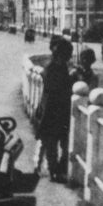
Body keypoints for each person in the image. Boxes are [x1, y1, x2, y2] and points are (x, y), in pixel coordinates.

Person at [34, 36, 75, 182]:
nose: (68, 59)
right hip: (51, 109)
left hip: (57, 109)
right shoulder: (51, 69)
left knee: (55, 140)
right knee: (50, 141)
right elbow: (55, 87)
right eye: (66, 55)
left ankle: (52, 168)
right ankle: (52, 170)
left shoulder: (60, 67)